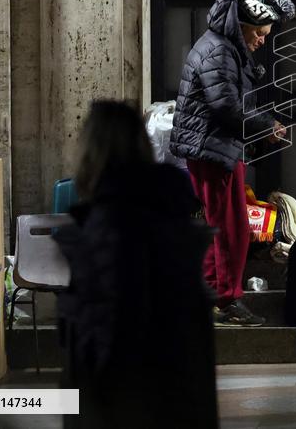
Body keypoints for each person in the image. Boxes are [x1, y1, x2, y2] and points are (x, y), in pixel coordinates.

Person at [55, 100, 217, 428]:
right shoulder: (169, 217)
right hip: (181, 396)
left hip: (125, 405)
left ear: (92, 150)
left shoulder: (113, 225)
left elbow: (116, 327)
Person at [170, 0, 294, 325]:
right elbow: (224, 105)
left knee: (222, 226)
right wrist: (266, 125)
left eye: (266, 36)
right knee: (231, 229)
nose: (261, 41)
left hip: (215, 147)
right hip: (211, 149)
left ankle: (214, 295)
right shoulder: (220, 50)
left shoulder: (222, 45)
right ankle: (226, 301)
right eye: (258, 34)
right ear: (243, 26)